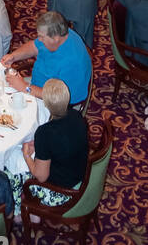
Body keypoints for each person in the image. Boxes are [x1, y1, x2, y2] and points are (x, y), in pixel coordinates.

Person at [10, 78, 89, 214]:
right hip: (80, 175)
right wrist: (41, 147)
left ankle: (20, 211)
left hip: (62, 192)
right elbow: (62, 142)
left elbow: (41, 177)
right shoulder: (76, 115)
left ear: (45, 104)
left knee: (12, 165)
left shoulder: (44, 133)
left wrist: (26, 155)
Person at [3, 10, 92, 108]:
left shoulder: (72, 62)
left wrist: (25, 88)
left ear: (55, 38)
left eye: (41, 37)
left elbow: (58, 97)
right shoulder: (61, 33)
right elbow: (34, 46)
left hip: (58, 104)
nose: (39, 40)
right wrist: (13, 56)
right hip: (37, 85)